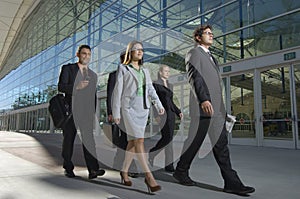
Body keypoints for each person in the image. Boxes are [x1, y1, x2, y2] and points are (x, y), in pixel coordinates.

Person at [173, 25, 255, 196]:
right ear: (198, 37)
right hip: (203, 108)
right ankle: (181, 171)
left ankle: (232, 183)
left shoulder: (213, 58)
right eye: (208, 33)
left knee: (222, 146)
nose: (211, 36)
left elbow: (217, 86)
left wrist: (223, 110)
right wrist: (203, 99)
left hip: (216, 110)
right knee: (194, 142)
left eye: (212, 34)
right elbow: (195, 77)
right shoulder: (194, 53)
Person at [112, 40, 164, 193]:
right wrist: (116, 112)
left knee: (132, 144)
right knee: (139, 141)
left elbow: (150, 90)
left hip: (143, 110)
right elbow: (117, 91)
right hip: (128, 110)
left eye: (142, 49)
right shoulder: (123, 68)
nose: (140, 52)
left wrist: (158, 105)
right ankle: (149, 177)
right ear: (131, 52)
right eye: (136, 49)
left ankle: (124, 171)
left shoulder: (145, 70)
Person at [58, 44, 105, 179]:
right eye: (84, 53)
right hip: (71, 111)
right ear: (78, 55)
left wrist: (93, 112)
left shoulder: (93, 75)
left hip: (86, 112)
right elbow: (61, 87)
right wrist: (76, 87)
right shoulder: (68, 69)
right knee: (69, 140)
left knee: (89, 141)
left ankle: (93, 170)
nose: (87, 56)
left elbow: (93, 95)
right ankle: (68, 167)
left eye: (89, 54)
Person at [106, 51, 138, 178]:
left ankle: (118, 161)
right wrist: (110, 112)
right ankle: (130, 166)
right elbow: (110, 94)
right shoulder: (114, 75)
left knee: (126, 138)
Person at [148, 65, 183, 172]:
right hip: (162, 115)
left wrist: (178, 111)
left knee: (169, 139)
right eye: (166, 71)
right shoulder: (155, 85)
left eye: (169, 71)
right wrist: (156, 115)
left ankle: (169, 165)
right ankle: (153, 152)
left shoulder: (170, 85)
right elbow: (154, 101)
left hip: (171, 114)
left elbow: (170, 101)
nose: (168, 73)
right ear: (160, 72)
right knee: (167, 138)